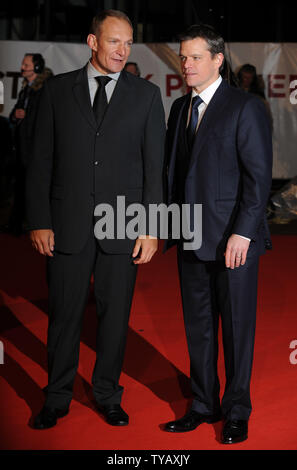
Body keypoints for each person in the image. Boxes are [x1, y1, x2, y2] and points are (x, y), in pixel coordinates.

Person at [26, 9, 165, 429]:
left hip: (123, 224)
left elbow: (153, 168)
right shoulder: (55, 92)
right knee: (64, 315)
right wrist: (39, 219)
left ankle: (107, 394)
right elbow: (39, 163)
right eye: (113, 42)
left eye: (128, 43)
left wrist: (152, 226)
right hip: (66, 223)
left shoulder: (145, 96)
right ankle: (57, 396)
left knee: (115, 319)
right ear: (92, 42)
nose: (122, 51)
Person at [164, 24, 272, 444]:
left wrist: (243, 234)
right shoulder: (178, 108)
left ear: (217, 60)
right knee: (199, 328)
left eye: (194, 57)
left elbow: (258, 179)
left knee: (237, 329)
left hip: (234, 243)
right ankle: (203, 404)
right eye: (182, 56)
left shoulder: (245, 107)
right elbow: (174, 176)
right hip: (191, 237)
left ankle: (237, 410)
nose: (186, 64)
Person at [9, 53, 52, 234]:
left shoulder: (44, 91)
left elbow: (44, 122)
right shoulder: (25, 89)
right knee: (20, 187)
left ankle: (33, 224)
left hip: (35, 150)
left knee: (35, 189)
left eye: (26, 64)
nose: (22, 67)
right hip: (21, 148)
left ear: (36, 67)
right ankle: (16, 224)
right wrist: (16, 115)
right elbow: (14, 114)